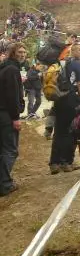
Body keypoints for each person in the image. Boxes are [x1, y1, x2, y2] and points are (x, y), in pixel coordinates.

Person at [49, 42, 80, 174]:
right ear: (74, 51)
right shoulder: (77, 64)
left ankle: (54, 163)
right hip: (71, 99)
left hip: (59, 98)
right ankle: (66, 162)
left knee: (59, 131)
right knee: (71, 131)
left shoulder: (63, 63)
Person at [0, 42, 26, 195]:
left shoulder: (4, 68)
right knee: (10, 150)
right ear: (12, 53)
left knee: (3, 150)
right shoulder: (12, 69)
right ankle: (5, 184)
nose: (22, 55)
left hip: (3, 113)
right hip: (7, 115)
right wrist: (16, 118)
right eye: (19, 52)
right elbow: (12, 96)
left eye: (24, 52)